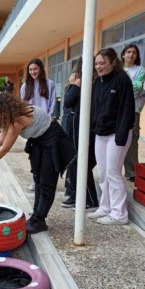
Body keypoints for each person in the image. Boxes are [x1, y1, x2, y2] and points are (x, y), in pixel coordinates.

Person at [0, 93, 76, 234]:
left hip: (53, 140)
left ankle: (39, 220)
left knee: (47, 182)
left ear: (4, 111)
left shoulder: (17, 120)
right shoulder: (11, 117)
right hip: (39, 140)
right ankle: (36, 215)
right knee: (38, 179)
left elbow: (5, 148)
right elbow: (3, 138)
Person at [86, 48, 135, 225]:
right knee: (103, 173)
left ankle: (119, 213)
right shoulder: (97, 82)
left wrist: (121, 135)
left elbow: (127, 109)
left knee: (114, 172)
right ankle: (105, 206)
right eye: (97, 63)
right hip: (101, 134)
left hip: (117, 134)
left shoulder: (122, 80)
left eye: (102, 63)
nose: (99, 66)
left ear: (113, 62)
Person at [60, 57, 99, 211]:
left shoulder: (90, 82)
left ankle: (90, 199)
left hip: (86, 127)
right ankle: (76, 194)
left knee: (81, 162)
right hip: (75, 126)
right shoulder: (79, 80)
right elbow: (68, 103)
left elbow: (68, 101)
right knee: (75, 162)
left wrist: (74, 85)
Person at [20, 58, 56, 192]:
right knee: (34, 154)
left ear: (40, 69)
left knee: (47, 154)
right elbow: (23, 107)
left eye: (35, 69)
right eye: (30, 70)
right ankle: (36, 180)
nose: (33, 72)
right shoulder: (25, 86)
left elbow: (52, 103)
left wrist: (50, 117)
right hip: (32, 126)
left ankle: (46, 180)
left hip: (46, 125)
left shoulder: (49, 84)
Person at [121, 44, 145, 182]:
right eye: (129, 52)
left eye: (134, 53)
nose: (131, 55)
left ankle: (131, 172)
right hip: (117, 110)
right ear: (123, 54)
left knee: (132, 139)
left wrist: (121, 88)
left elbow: (137, 88)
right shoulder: (117, 70)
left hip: (133, 109)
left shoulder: (140, 69)